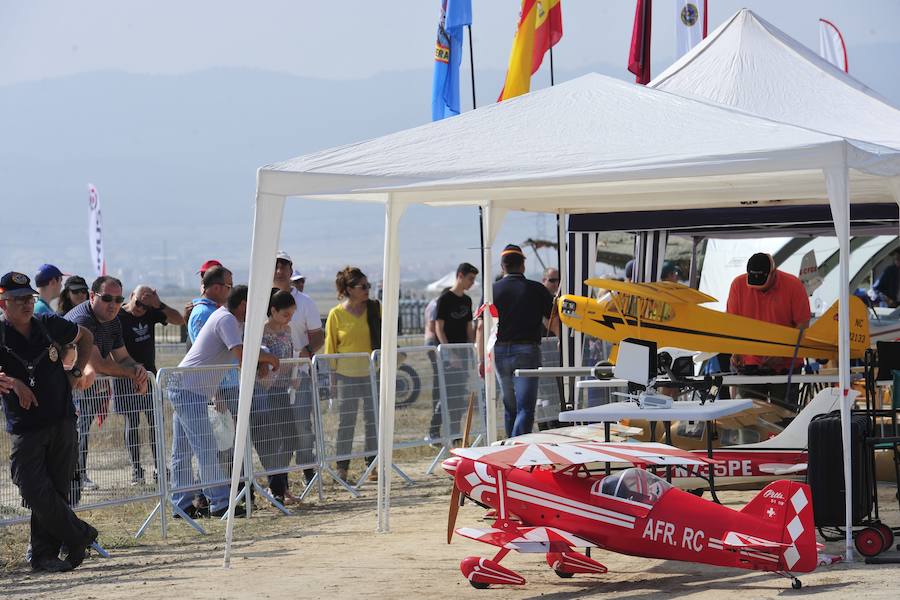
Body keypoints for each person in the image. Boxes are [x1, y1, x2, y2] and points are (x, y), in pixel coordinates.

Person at [0, 272, 99, 572]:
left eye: (29, 298)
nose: (26, 305)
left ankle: (44, 555)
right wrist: (14, 383)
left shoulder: (48, 324)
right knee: (30, 486)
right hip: (26, 426)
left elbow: (86, 337)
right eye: (18, 300)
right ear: (3, 303)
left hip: (62, 419)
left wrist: (77, 371)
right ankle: (79, 533)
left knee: (55, 491)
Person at [172, 285, 279, 518]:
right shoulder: (226, 319)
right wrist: (269, 359)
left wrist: (262, 360)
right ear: (243, 304)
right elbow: (242, 356)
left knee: (183, 450)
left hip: (188, 388)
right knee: (205, 449)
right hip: (189, 389)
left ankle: (181, 504)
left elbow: (248, 349)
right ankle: (220, 504)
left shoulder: (233, 321)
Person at [64, 276, 149, 491]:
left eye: (118, 299)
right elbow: (99, 364)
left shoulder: (113, 321)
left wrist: (138, 370)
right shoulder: (83, 319)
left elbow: (122, 357)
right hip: (62, 386)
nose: (113, 305)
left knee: (80, 429)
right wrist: (132, 373)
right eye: (107, 298)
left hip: (85, 384)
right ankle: (74, 477)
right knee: (72, 431)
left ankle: (76, 477)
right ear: (92, 296)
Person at [484, 244, 557, 437]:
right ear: (523, 265)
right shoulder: (536, 289)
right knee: (526, 407)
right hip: (527, 350)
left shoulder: (491, 291)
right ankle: (516, 445)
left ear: (503, 267)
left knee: (510, 407)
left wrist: (481, 357)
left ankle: (510, 448)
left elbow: (482, 325)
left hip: (499, 351)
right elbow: (552, 318)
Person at [118, 285, 185, 484]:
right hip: (125, 377)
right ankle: (137, 470)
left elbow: (179, 320)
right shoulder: (118, 316)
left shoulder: (150, 312)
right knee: (132, 423)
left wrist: (158, 304)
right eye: (138, 303)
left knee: (155, 422)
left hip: (149, 377)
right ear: (131, 297)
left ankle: (159, 466)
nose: (140, 309)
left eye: (145, 306)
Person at [726, 252, 811, 406]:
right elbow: (733, 323)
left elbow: (802, 325)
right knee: (749, 420)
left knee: (784, 418)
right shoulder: (738, 285)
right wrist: (735, 350)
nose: (758, 289)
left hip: (785, 366)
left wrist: (782, 353)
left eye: (762, 283)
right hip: (749, 365)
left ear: (773, 272)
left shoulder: (793, 285)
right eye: (754, 284)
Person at [272, 251, 323, 484]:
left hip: (299, 374)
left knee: (302, 424)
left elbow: (318, 335)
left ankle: (307, 470)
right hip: (270, 377)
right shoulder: (261, 299)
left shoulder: (305, 302)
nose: (280, 270)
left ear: (291, 271)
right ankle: (277, 477)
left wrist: (307, 352)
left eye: (284, 266)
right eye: (275, 266)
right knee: (275, 427)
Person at [325, 266, 379, 484]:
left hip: (372, 374)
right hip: (346, 376)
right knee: (346, 423)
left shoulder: (375, 308)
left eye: (368, 286)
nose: (367, 290)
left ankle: (373, 465)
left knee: (372, 421)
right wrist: (332, 381)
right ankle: (342, 468)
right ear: (348, 289)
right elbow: (330, 351)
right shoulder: (335, 314)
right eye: (362, 286)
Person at [250, 289, 301, 505]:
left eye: (291, 314)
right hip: (265, 392)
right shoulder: (261, 331)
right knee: (272, 441)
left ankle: (281, 485)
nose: (289, 319)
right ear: (273, 310)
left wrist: (293, 376)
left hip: (283, 390)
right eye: (285, 314)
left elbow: (288, 356)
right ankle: (277, 489)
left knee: (291, 438)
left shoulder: (288, 330)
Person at [432, 263, 478, 438]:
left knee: (459, 395)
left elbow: (469, 328)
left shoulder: (467, 300)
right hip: (447, 354)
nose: (472, 283)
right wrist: (449, 353)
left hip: (463, 352)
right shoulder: (444, 299)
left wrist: (473, 348)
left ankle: (456, 433)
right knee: (446, 394)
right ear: (460, 276)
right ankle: (434, 432)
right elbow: (439, 328)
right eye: (470, 279)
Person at [424, 288, 447, 441]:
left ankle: (436, 405)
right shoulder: (438, 304)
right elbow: (433, 326)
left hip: (429, 342)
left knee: (437, 381)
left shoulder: (431, 303)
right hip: (433, 342)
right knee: (440, 381)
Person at [187, 266, 233, 343]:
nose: (231, 290)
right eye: (229, 286)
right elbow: (204, 348)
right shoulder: (203, 313)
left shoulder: (213, 310)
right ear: (216, 288)